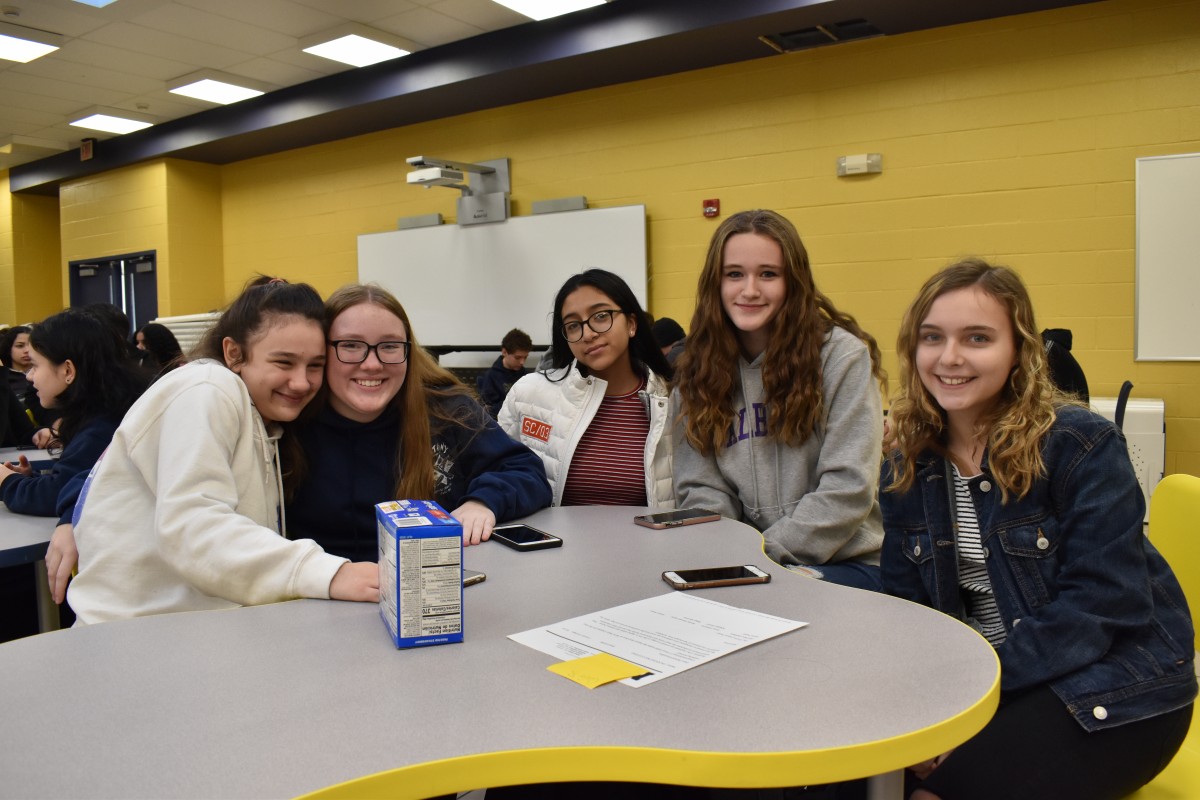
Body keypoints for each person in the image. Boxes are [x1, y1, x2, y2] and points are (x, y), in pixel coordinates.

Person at [881, 258, 1195, 800]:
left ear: (1017, 351)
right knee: (851, 771)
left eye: (977, 338)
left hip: (1120, 685)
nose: (950, 357)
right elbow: (907, 609)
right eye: (932, 338)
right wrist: (925, 710)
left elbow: (1103, 604)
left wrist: (972, 703)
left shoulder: (1080, 445)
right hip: (989, 681)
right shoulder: (908, 460)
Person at [64, 279, 379, 624]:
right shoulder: (207, 389)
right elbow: (193, 527)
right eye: (284, 362)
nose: (302, 382)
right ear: (233, 353)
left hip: (185, 631)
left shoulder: (258, 413)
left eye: (314, 366)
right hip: (137, 639)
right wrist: (330, 574)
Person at [671, 210, 886, 591]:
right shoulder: (695, 373)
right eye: (734, 274)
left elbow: (848, 488)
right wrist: (729, 555)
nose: (749, 290)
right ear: (715, 283)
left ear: (793, 282)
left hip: (843, 562)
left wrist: (761, 555)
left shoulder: (841, 357)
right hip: (740, 564)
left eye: (768, 274)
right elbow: (701, 490)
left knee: (783, 605)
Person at [285, 284, 551, 560]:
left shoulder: (447, 410)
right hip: (322, 594)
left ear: (408, 351)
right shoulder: (292, 420)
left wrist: (482, 502)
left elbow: (527, 471)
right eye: (351, 345)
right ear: (322, 352)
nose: (372, 364)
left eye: (389, 346)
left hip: (434, 589)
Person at [499, 268, 674, 508]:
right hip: (554, 545)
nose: (588, 334)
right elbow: (495, 472)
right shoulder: (529, 394)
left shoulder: (673, 399)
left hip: (648, 545)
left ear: (632, 324)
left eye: (601, 316)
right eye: (573, 325)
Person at [0, 309, 146, 525]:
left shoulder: (100, 428)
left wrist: (8, 482)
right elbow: (76, 480)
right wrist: (31, 480)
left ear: (68, 370)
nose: (30, 377)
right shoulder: (106, 410)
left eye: (35, 366)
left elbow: (58, 496)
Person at [1, 324, 49, 431]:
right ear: (8, 349)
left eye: (31, 345)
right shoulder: (4, 379)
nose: (27, 350)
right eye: (20, 345)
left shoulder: (49, 377)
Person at [476, 327, 532, 417]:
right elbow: (488, 413)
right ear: (504, 352)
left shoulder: (527, 376)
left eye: (525, 357)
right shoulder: (489, 378)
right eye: (517, 358)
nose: (522, 362)